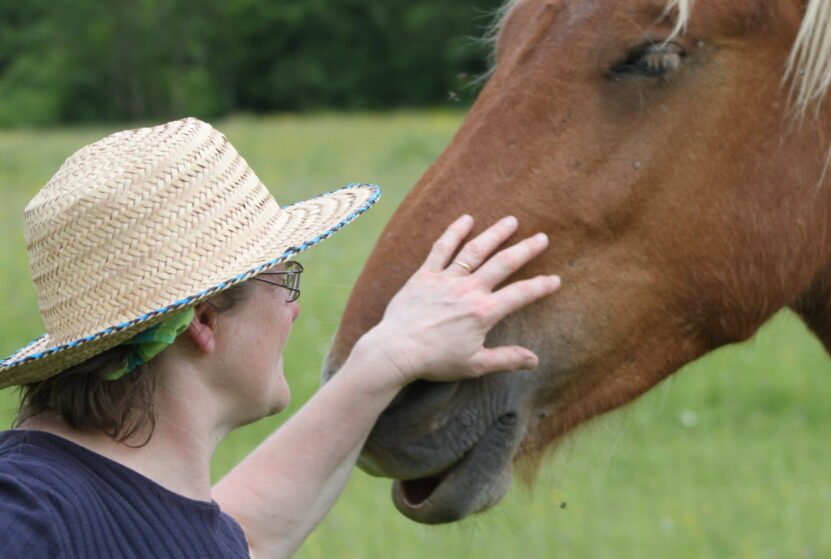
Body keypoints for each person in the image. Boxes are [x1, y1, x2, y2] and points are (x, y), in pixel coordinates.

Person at [0, 117, 560, 558]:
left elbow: (245, 542)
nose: (294, 309)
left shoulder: (114, 505)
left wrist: (389, 356)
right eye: (283, 275)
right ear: (204, 319)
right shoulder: (25, 517)